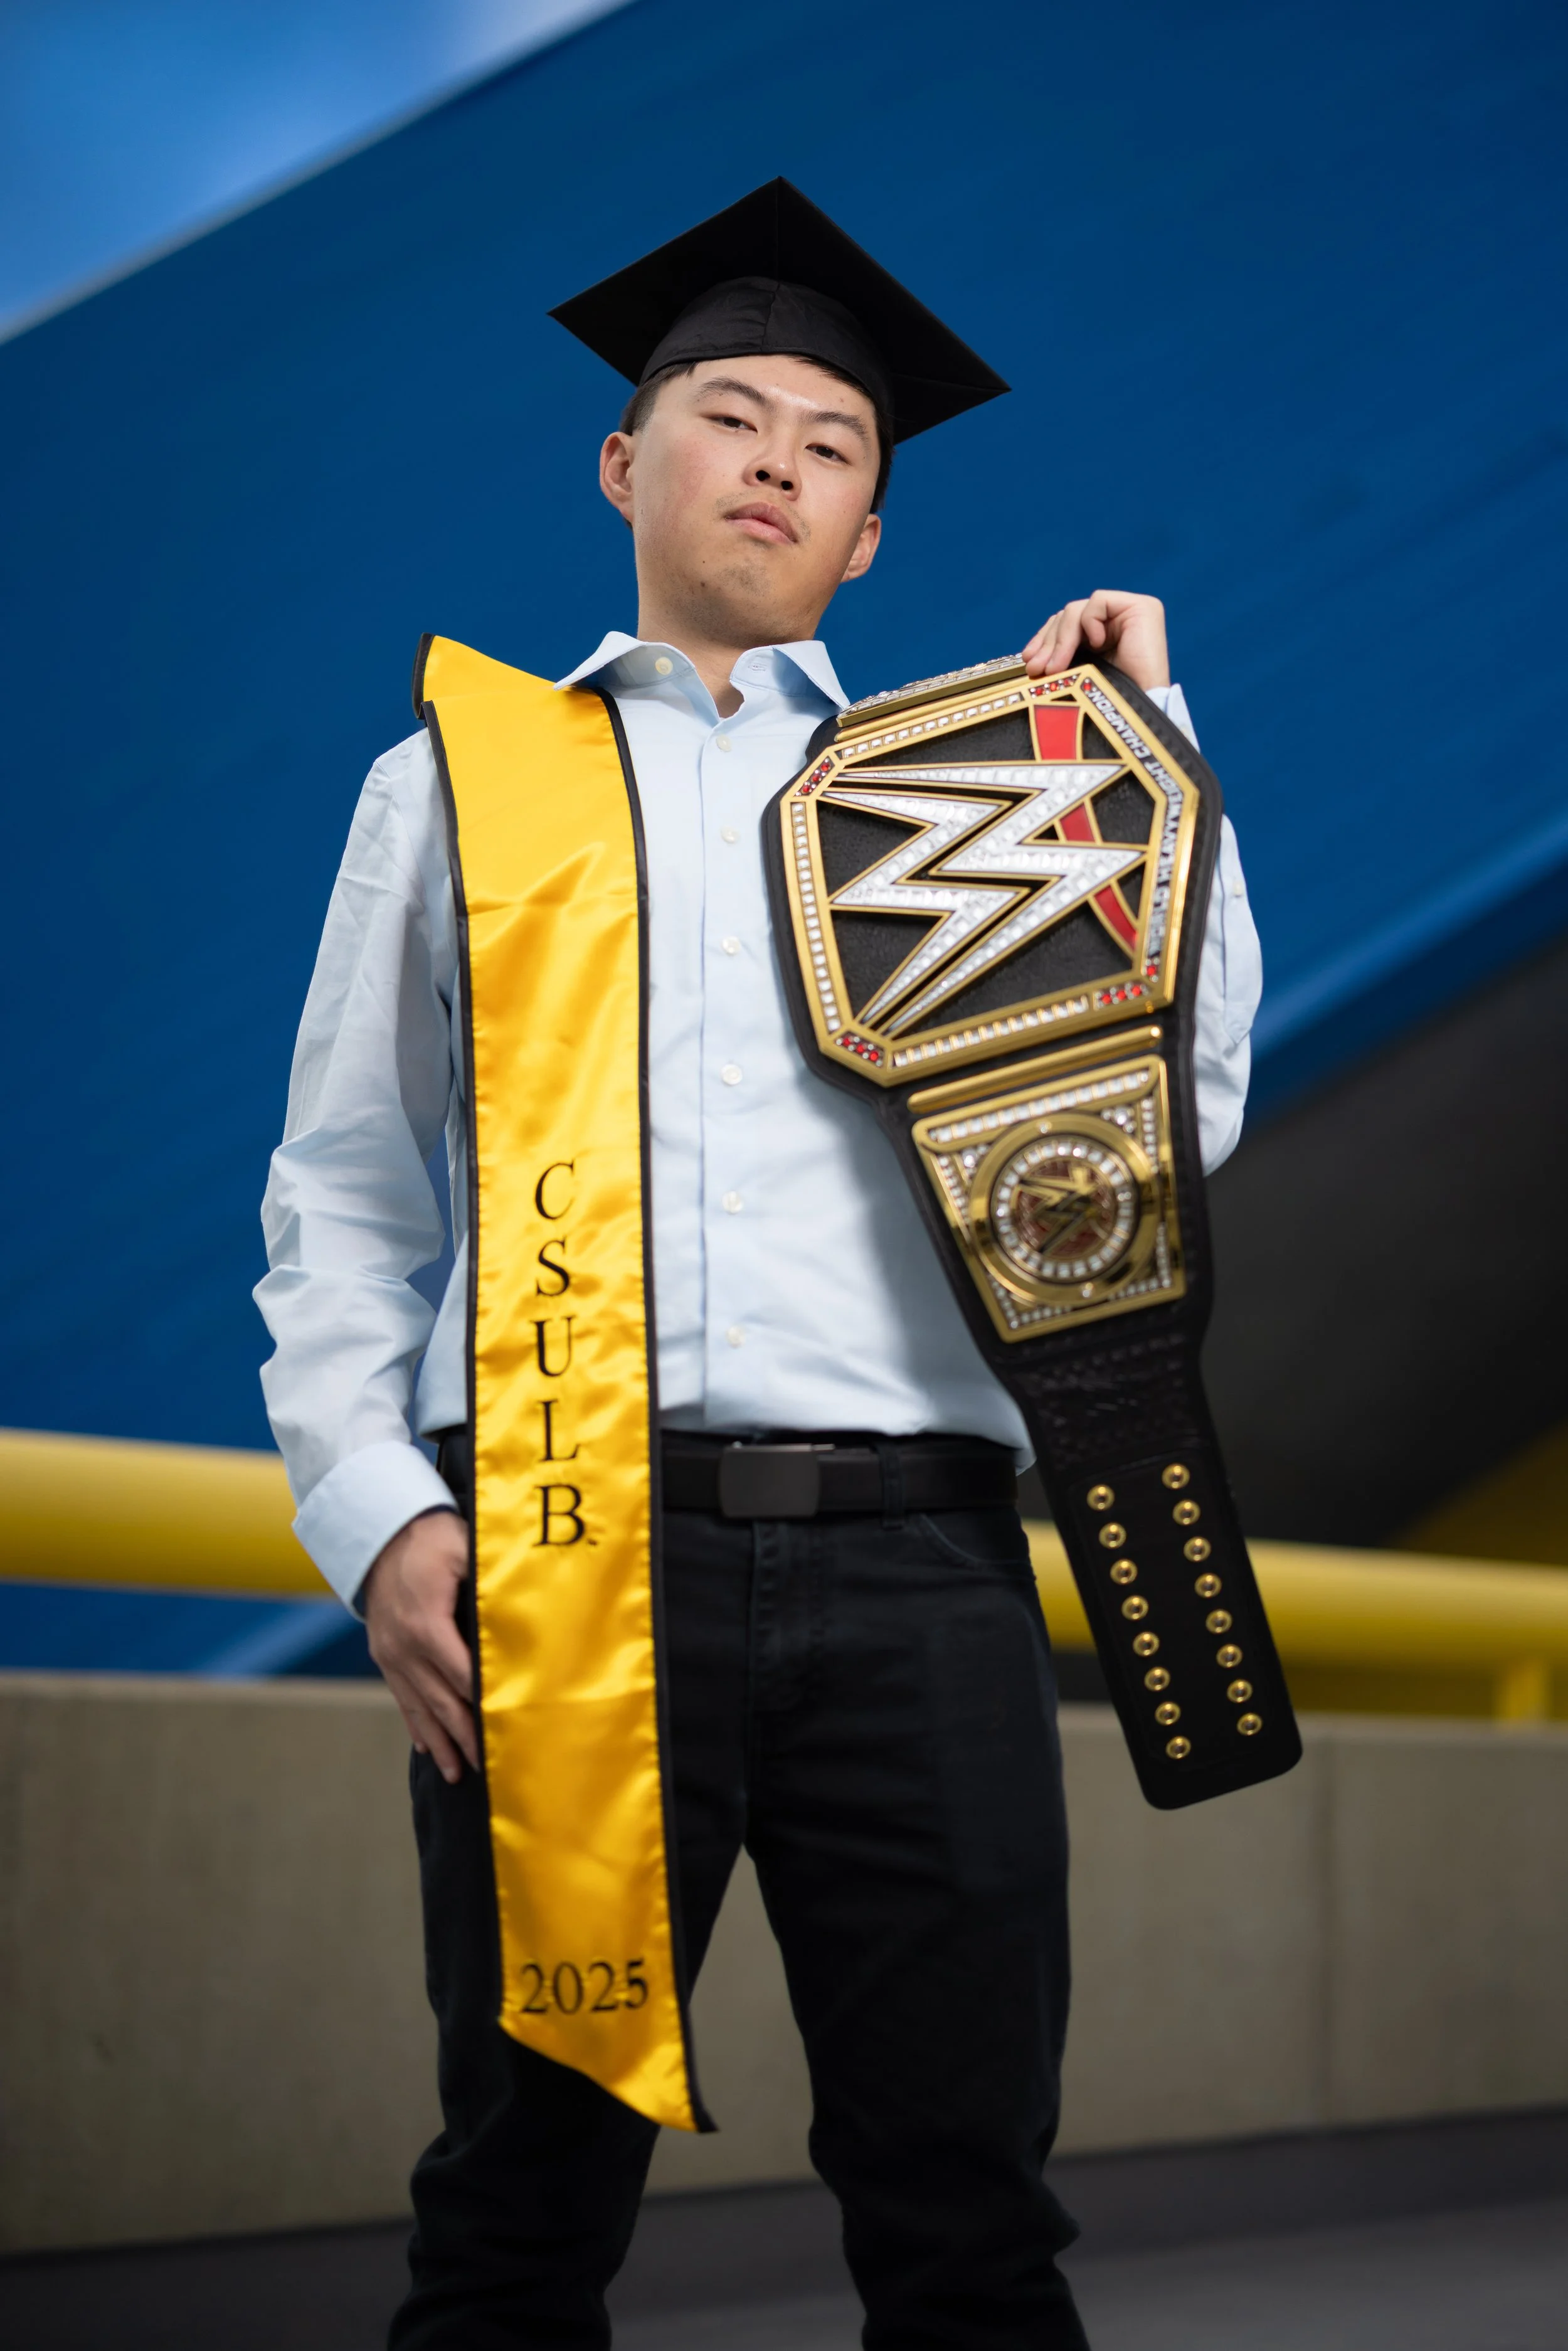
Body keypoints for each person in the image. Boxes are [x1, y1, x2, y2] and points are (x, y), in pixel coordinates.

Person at [256, 180, 1261, 2351]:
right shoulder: (458, 781)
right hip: (561, 1557)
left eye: (834, 439)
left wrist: (1151, 784)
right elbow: (344, 1187)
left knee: (971, 2213)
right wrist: (375, 1514)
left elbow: (1173, 1135)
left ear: (871, 534)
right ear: (626, 465)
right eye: (730, 414)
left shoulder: (976, 788)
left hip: (920, 1573)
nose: (783, 458)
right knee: (514, 2213)